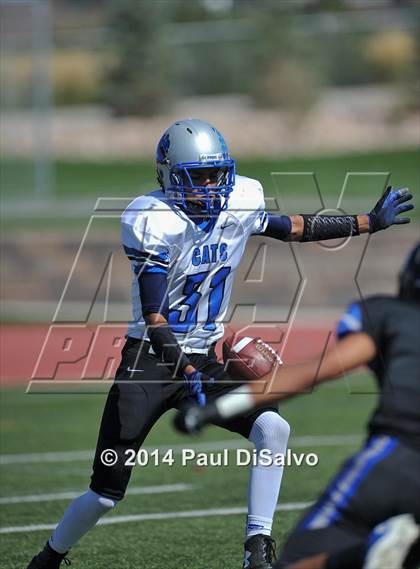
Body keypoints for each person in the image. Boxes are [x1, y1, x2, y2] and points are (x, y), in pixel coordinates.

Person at [27, 119, 414, 569]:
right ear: (170, 176)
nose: (212, 187)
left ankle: (257, 549)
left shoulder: (240, 202)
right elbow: (155, 316)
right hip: (149, 365)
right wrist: (184, 369)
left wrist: (367, 221)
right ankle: (49, 557)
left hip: (205, 357)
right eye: (199, 177)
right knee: (105, 494)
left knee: (274, 428)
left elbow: (295, 227)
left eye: (217, 175)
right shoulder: (154, 220)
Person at [175, 242, 420, 569]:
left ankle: (365, 553)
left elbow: (317, 372)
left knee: (299, 560)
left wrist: (216, 408)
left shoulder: (392, 315)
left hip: (401, 455)